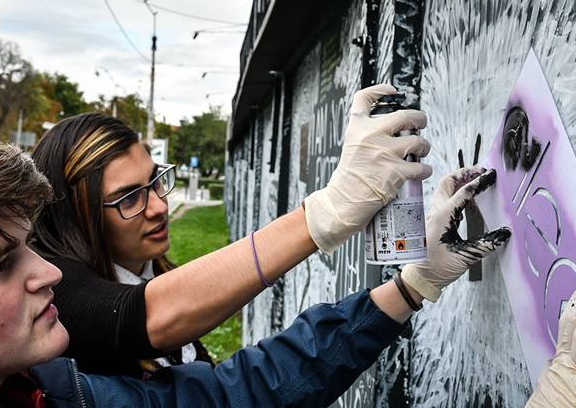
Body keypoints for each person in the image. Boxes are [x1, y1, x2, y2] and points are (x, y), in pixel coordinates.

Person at [0, 87, 576, 408]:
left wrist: (413, 285)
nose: (45, 277)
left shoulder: (39, 402)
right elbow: (145, 324)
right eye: (1, 265)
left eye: (29, 246)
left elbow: (237, 399)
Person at [27, 85, 434, 378]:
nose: (159, 205)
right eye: (128, 197)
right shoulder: (55, 295)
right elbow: (141, 318)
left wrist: (409, 286)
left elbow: (220, 393)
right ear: (75, 216)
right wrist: (327, 212)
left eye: (155, 181)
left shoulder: (153, 275)